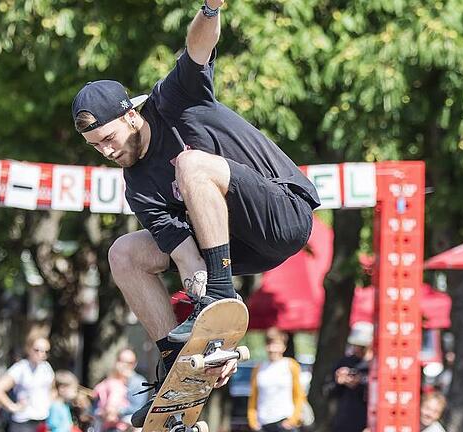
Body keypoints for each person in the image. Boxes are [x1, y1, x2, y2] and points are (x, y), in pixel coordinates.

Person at [71, 0, 320, 426]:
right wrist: (210, 337)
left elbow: (198, 48)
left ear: (131, 116)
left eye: (109, 138)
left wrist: (210, 9)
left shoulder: (174, 101)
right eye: (97, 147)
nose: (108, 151)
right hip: (231, 246)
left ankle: (221, 289)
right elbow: (187, 256)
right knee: (124, 252)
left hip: (283, 212)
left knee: (191, 164)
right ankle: (174, 360)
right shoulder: (138, 188)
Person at [0, 336, 55, 432]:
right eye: (37, 350)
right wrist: (12, 406)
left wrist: (50, 403)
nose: (41, 354)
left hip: (42, 421)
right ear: (29, 349)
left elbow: (52, 389)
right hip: (23, 422)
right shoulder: (21, 368)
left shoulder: (46, 368)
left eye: (45, 352)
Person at [247, 328, 306, 432]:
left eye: (276, 345)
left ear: (284, 347)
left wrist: (293, 420)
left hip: (284, 420)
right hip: (263, 422)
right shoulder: (259, 368)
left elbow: (299, 395)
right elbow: (253, 397)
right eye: (269, 344)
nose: (272, 349)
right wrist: (252, 421)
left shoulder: (291, 365)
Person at [326, 322, 374, 432]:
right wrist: (338, 381)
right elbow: (328, 391)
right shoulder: (344, 362)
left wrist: (359, 384)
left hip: (367, 422)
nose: (357, 349)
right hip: (344, 421)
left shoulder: (377, 365)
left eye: (362, 346)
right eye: (355, 345)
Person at [92, 348, 148, 431]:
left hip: (126, 425)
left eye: (129, 363)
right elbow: (95, 404)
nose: (124, 365)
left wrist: (116, 411)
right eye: (121, 361)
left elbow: (137, 408)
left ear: (135, 364)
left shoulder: (139, 383)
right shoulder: (107, 380)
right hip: (104, 424)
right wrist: (101, 412)